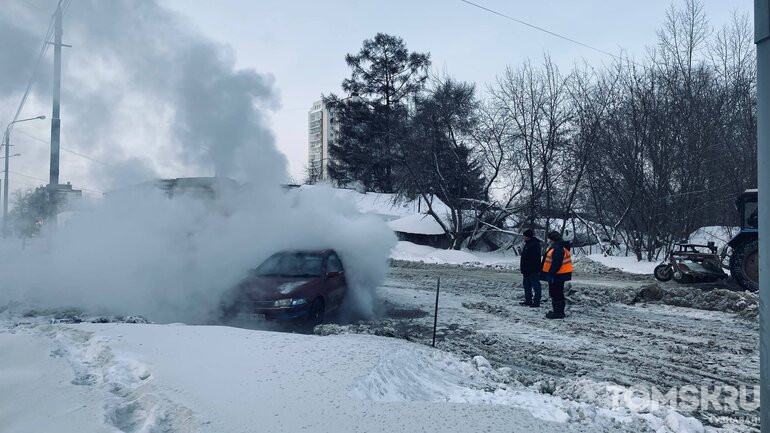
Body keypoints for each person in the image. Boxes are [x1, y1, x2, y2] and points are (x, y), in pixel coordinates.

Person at [540, 231, 573, 319]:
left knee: (555, 293)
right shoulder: (561, 247)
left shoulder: (557, 248)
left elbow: (556, 263)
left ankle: (557, 313)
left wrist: (551, 273)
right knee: (558, 293)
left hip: (557, 275)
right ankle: (559, 312)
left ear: (552, 240)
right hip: (560, 274)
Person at [518, 229, 542, 307]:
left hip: (532, 270)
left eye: (524, 236)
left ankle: (536, 301)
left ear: (528, 237)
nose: (523, 238)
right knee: (527, 285)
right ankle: (528, 300)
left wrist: (530, 268)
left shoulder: (534, 245)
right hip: (527, 270)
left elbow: (534, 259)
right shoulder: (528, 244)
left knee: (536, 286)